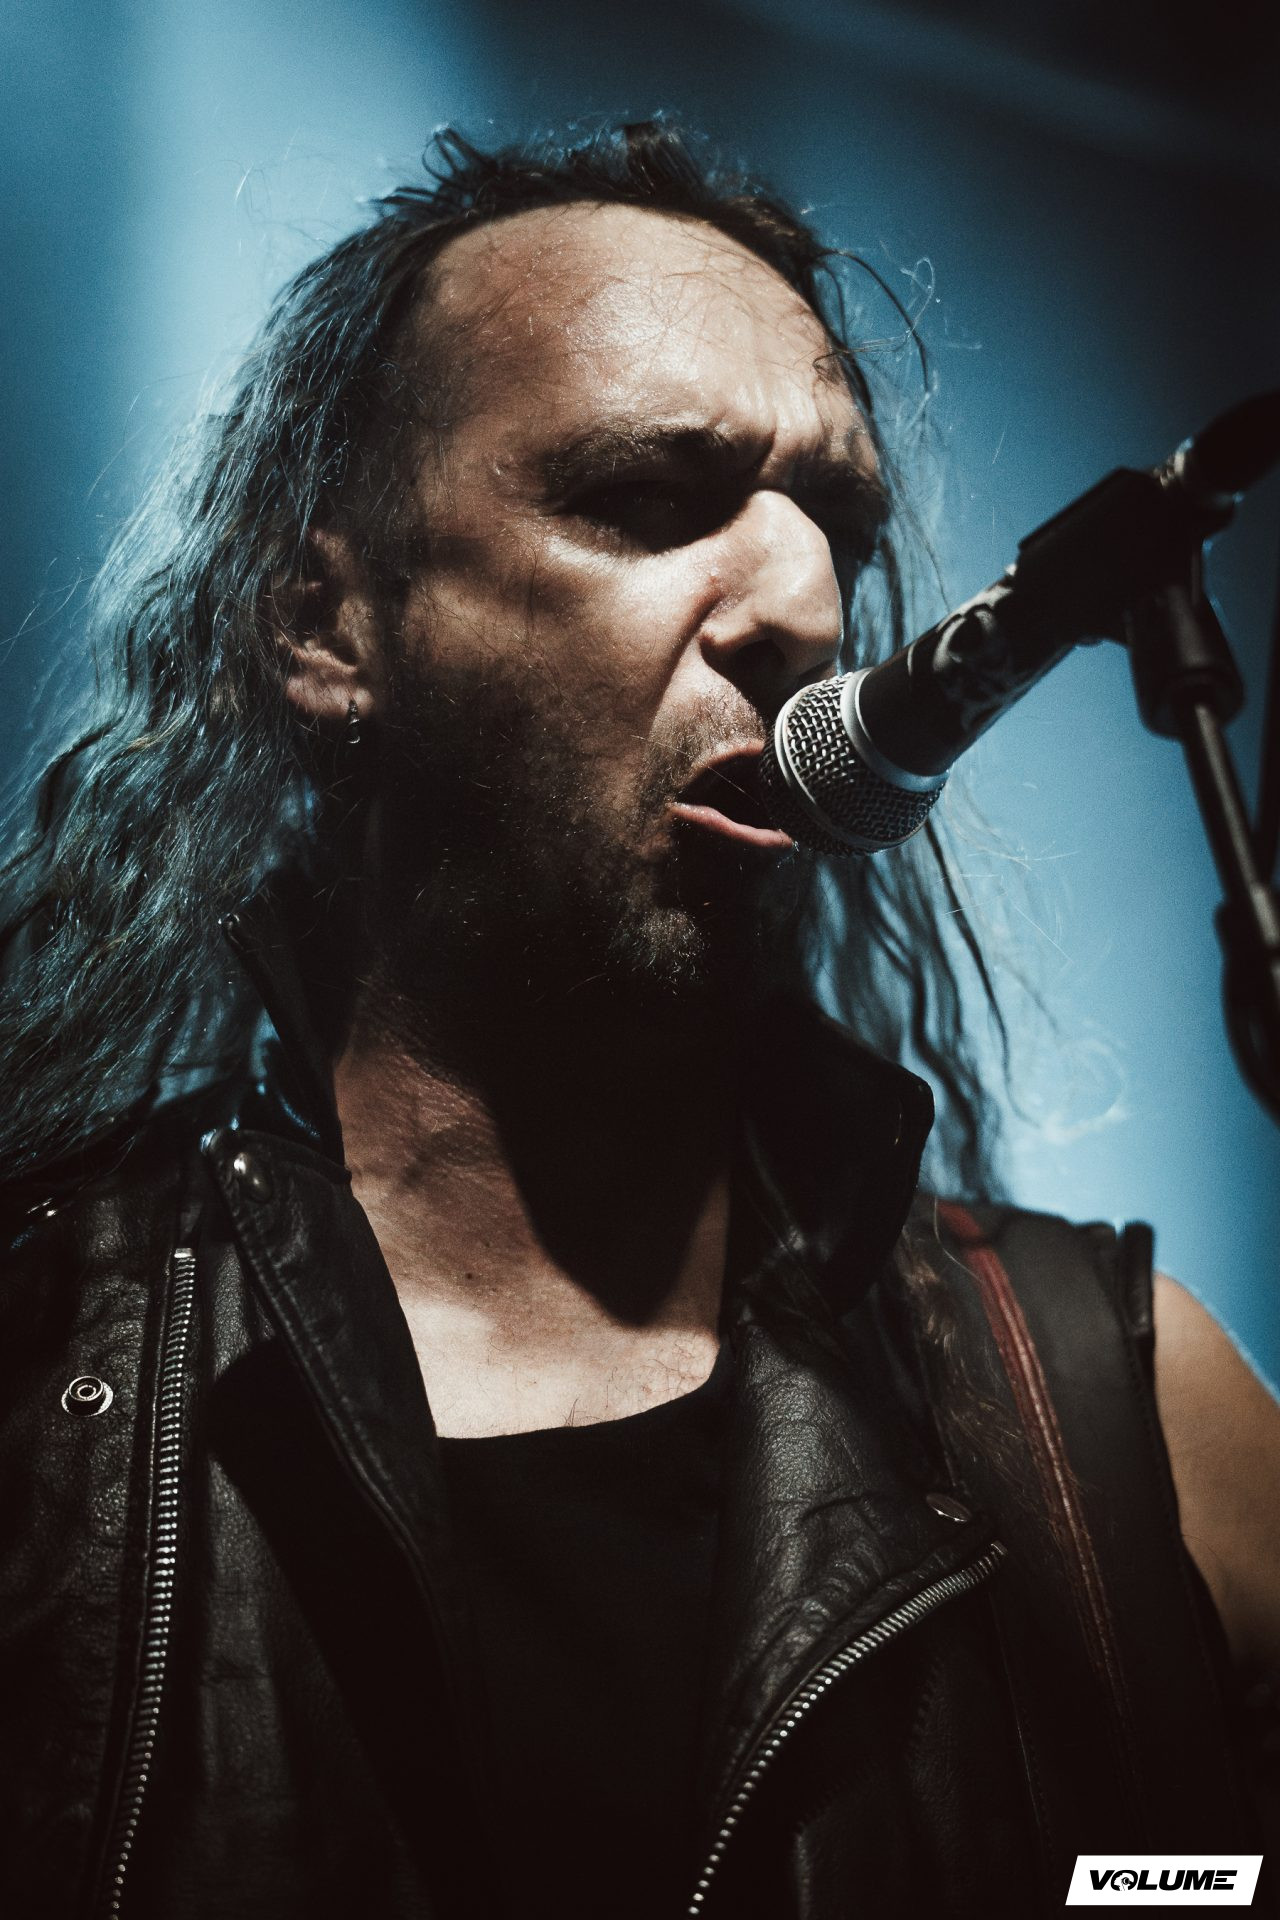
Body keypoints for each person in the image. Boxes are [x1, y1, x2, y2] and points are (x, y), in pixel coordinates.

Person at [1, 121, 1277, 1920]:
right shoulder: (39, 1360)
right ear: (326, 629)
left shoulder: (1120, 1411)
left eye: (839, 530)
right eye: (646, 499)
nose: (807, 610)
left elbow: (1196, 1879)